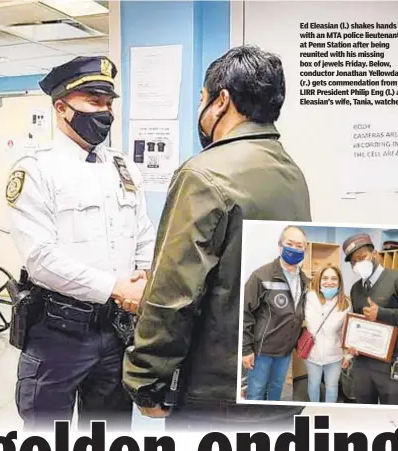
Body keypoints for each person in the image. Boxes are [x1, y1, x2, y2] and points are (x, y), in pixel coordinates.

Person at [122, 45, 312, 432]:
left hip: (215, 396)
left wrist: (145, 381)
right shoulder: (292, 172)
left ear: (222, 101)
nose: (201, 109)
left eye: (202, 99)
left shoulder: (204, 174)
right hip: (274, 389)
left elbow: (174, 292)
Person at [5, 56, 156, 431]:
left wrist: (143, 275)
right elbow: (41, 258)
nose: (104, 113)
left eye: (109, 104)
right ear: (61, 108)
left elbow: (143, 232)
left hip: (116, 331)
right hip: (57, 335)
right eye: (93, 101)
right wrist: (115, 287)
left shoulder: (122, 167)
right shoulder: (36, 170)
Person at [342, 233, 398, 405]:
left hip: (393, 363)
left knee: (390, 414)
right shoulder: (355, 289)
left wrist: (382, 313)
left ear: (374, 254)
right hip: (364, 363)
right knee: (364, 409)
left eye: (362, 258)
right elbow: (358, 323)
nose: (358, 264)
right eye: (353, 262)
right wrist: (352, 347)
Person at [242, 226, 310, 402]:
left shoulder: (305, 281)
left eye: (299, 245)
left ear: (305, 249)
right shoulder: (261, 276)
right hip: (262, 351)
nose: (294, 249)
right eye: (290, 244)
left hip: (285, 352)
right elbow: (245, 313)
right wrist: (245, 349)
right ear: (280, 246)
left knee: (276, 391)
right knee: (256, 393)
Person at [303, 264, 352, 403]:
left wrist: (348, 356)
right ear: (319, 280)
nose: (329, 282)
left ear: (339, 282)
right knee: (313, 384)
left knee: (332, 386)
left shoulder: (345, 303)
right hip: (312, 352)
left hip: (334, 355)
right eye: (325, 278)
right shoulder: (309, 297)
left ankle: (329, 411)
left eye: (334, 279)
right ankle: (315, 408)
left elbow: (347, 332)